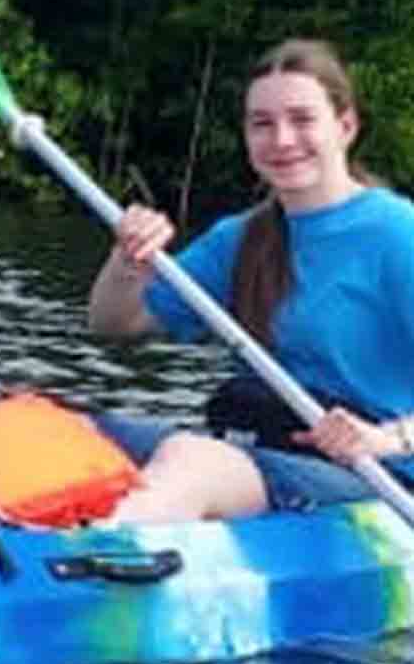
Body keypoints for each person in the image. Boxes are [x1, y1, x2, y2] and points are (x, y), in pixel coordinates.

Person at [81, 42, 414, 520]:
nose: (281, 139)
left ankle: (98, 553)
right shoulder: (241, 238)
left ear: (345, 127)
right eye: (262, 123)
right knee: (64, 427)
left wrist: (386, 438)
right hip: (269, 447)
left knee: (194, 461)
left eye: (302, 119)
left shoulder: (398, 233)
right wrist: (127, 262)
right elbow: (115, 323)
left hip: (379, 480)